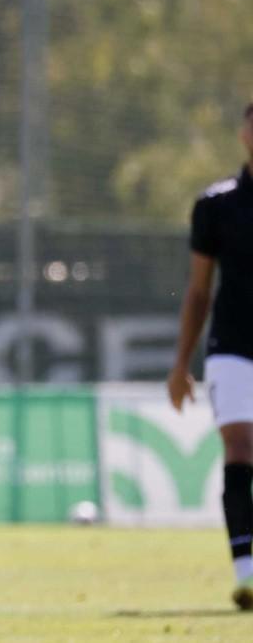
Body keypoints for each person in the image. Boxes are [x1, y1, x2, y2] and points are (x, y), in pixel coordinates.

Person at [168, 101, 253, 611]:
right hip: (233, 347)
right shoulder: (216, 205)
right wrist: (181, 364)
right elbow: (199, 291)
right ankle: (245, 569)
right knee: (240, 447)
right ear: (243, 132)